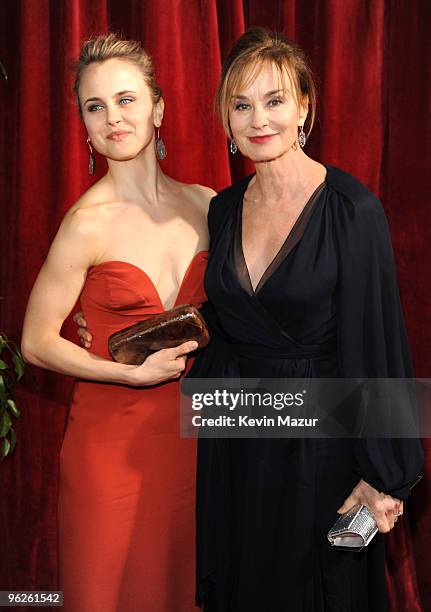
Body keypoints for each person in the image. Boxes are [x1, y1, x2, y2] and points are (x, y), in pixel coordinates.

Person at [75, 28, 424, 611]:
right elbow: (221, 319)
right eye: (242, 105)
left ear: (304, 106)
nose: (258, 119)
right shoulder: (224, 207)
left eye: (275, 100)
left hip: (324, 451)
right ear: (226, 119)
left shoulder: (352, 210)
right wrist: (104, 328)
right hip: (238, 445)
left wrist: (386, 475)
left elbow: (380, 344)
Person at [21, 34, 214, 612]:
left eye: (127, 100)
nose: (113, 118)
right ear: (83, 124)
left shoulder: (207, 204)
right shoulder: (86, 223)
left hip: (197, 440)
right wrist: (126, 372)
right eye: (95, 106)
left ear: (157, 108)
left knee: (186, 587)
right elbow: (34, 342)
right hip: (110, 447)